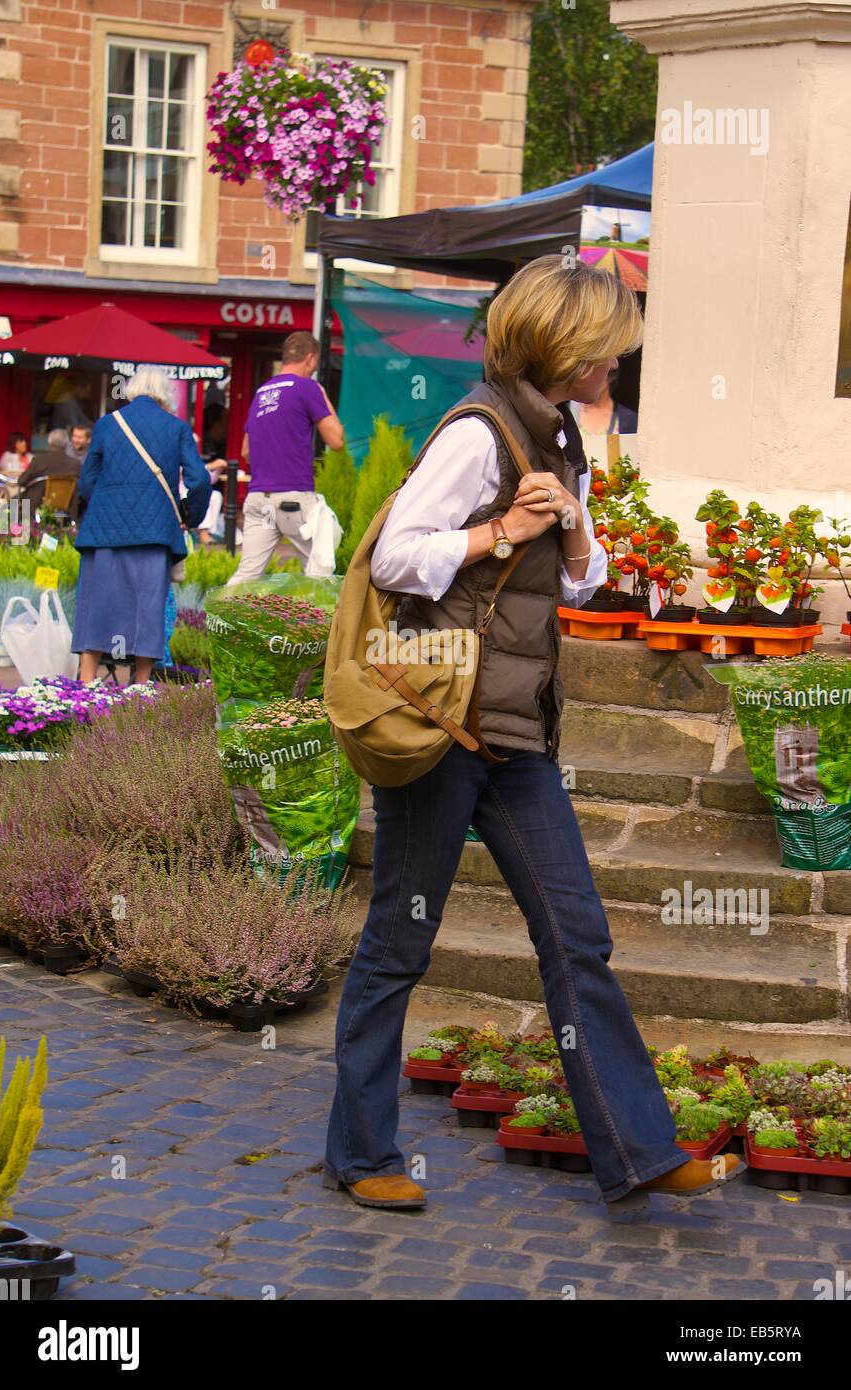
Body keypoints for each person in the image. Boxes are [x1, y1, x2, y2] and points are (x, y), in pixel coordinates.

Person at [322, 257, 744, 1214]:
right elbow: (395, 553)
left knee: (576, 937)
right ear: (573, 347)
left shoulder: (561, 437)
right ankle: (359, 1152)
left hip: (516, 737)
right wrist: (501, 531)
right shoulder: (478, 434)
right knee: (400, 942)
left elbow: (572, 585)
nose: (617, 368)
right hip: (441, 728)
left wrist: (574, 536)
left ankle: (637, 1154)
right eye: (610, 351)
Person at [72, 365, 211, 686]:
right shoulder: (176, 428)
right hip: (155, 531)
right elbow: (200, 480)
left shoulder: (108, 424)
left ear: (132, 390)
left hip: (103, 530)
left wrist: (105, 505)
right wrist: (190, 515)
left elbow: (87, 479)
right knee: (147, 606)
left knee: (97, 603)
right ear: (165, 396)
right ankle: (141, 684)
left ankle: (86, 680)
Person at [225, 330, 345, 586]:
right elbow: (336, 441)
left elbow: (246, 450)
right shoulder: (307, 388)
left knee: (246, 576)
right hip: (293, 503)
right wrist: (322, 397)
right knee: (319, 574)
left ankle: (216, 622)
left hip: (260, 503)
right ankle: (322, 626)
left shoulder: (261, 393)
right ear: (311, 358)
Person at [14, 429, 80, 515]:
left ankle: (15, 527)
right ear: (66, 444)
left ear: (49, 442)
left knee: (12, 502)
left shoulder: (39, 460)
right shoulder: (74, 464)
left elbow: (21, 481)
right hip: (64, 506)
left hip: (36, 505)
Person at [569, 365, 637, 434]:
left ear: (610, 377)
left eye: (594, 375)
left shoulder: (627, 417)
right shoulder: (568, 411)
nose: (587, 380)